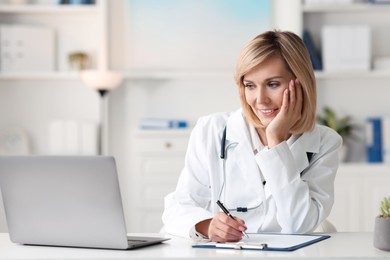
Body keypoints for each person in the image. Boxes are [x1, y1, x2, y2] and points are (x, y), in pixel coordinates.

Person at [162, 30, 342, 242]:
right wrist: (209, 226)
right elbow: (178, 206)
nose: (260, 99)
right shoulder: (211, 130)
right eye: (250, 86)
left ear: (300, 84)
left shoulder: (325, 143)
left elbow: (299, 224)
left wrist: (276, 141)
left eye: (273, 84)